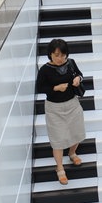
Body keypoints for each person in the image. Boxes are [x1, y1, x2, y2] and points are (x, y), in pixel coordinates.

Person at [36, 39, 86, 185]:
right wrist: (55, 88)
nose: (60, 58)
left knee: (77, 132)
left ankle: (72, 153)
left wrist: (78, 78)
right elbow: (40, 87)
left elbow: (80, 74)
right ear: (50, 54)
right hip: (54, 107)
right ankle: (60, 168)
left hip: (72, 103)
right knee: (57, 139)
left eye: (63, 55)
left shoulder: (70, 63)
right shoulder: (45, 69)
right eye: (56, 55)